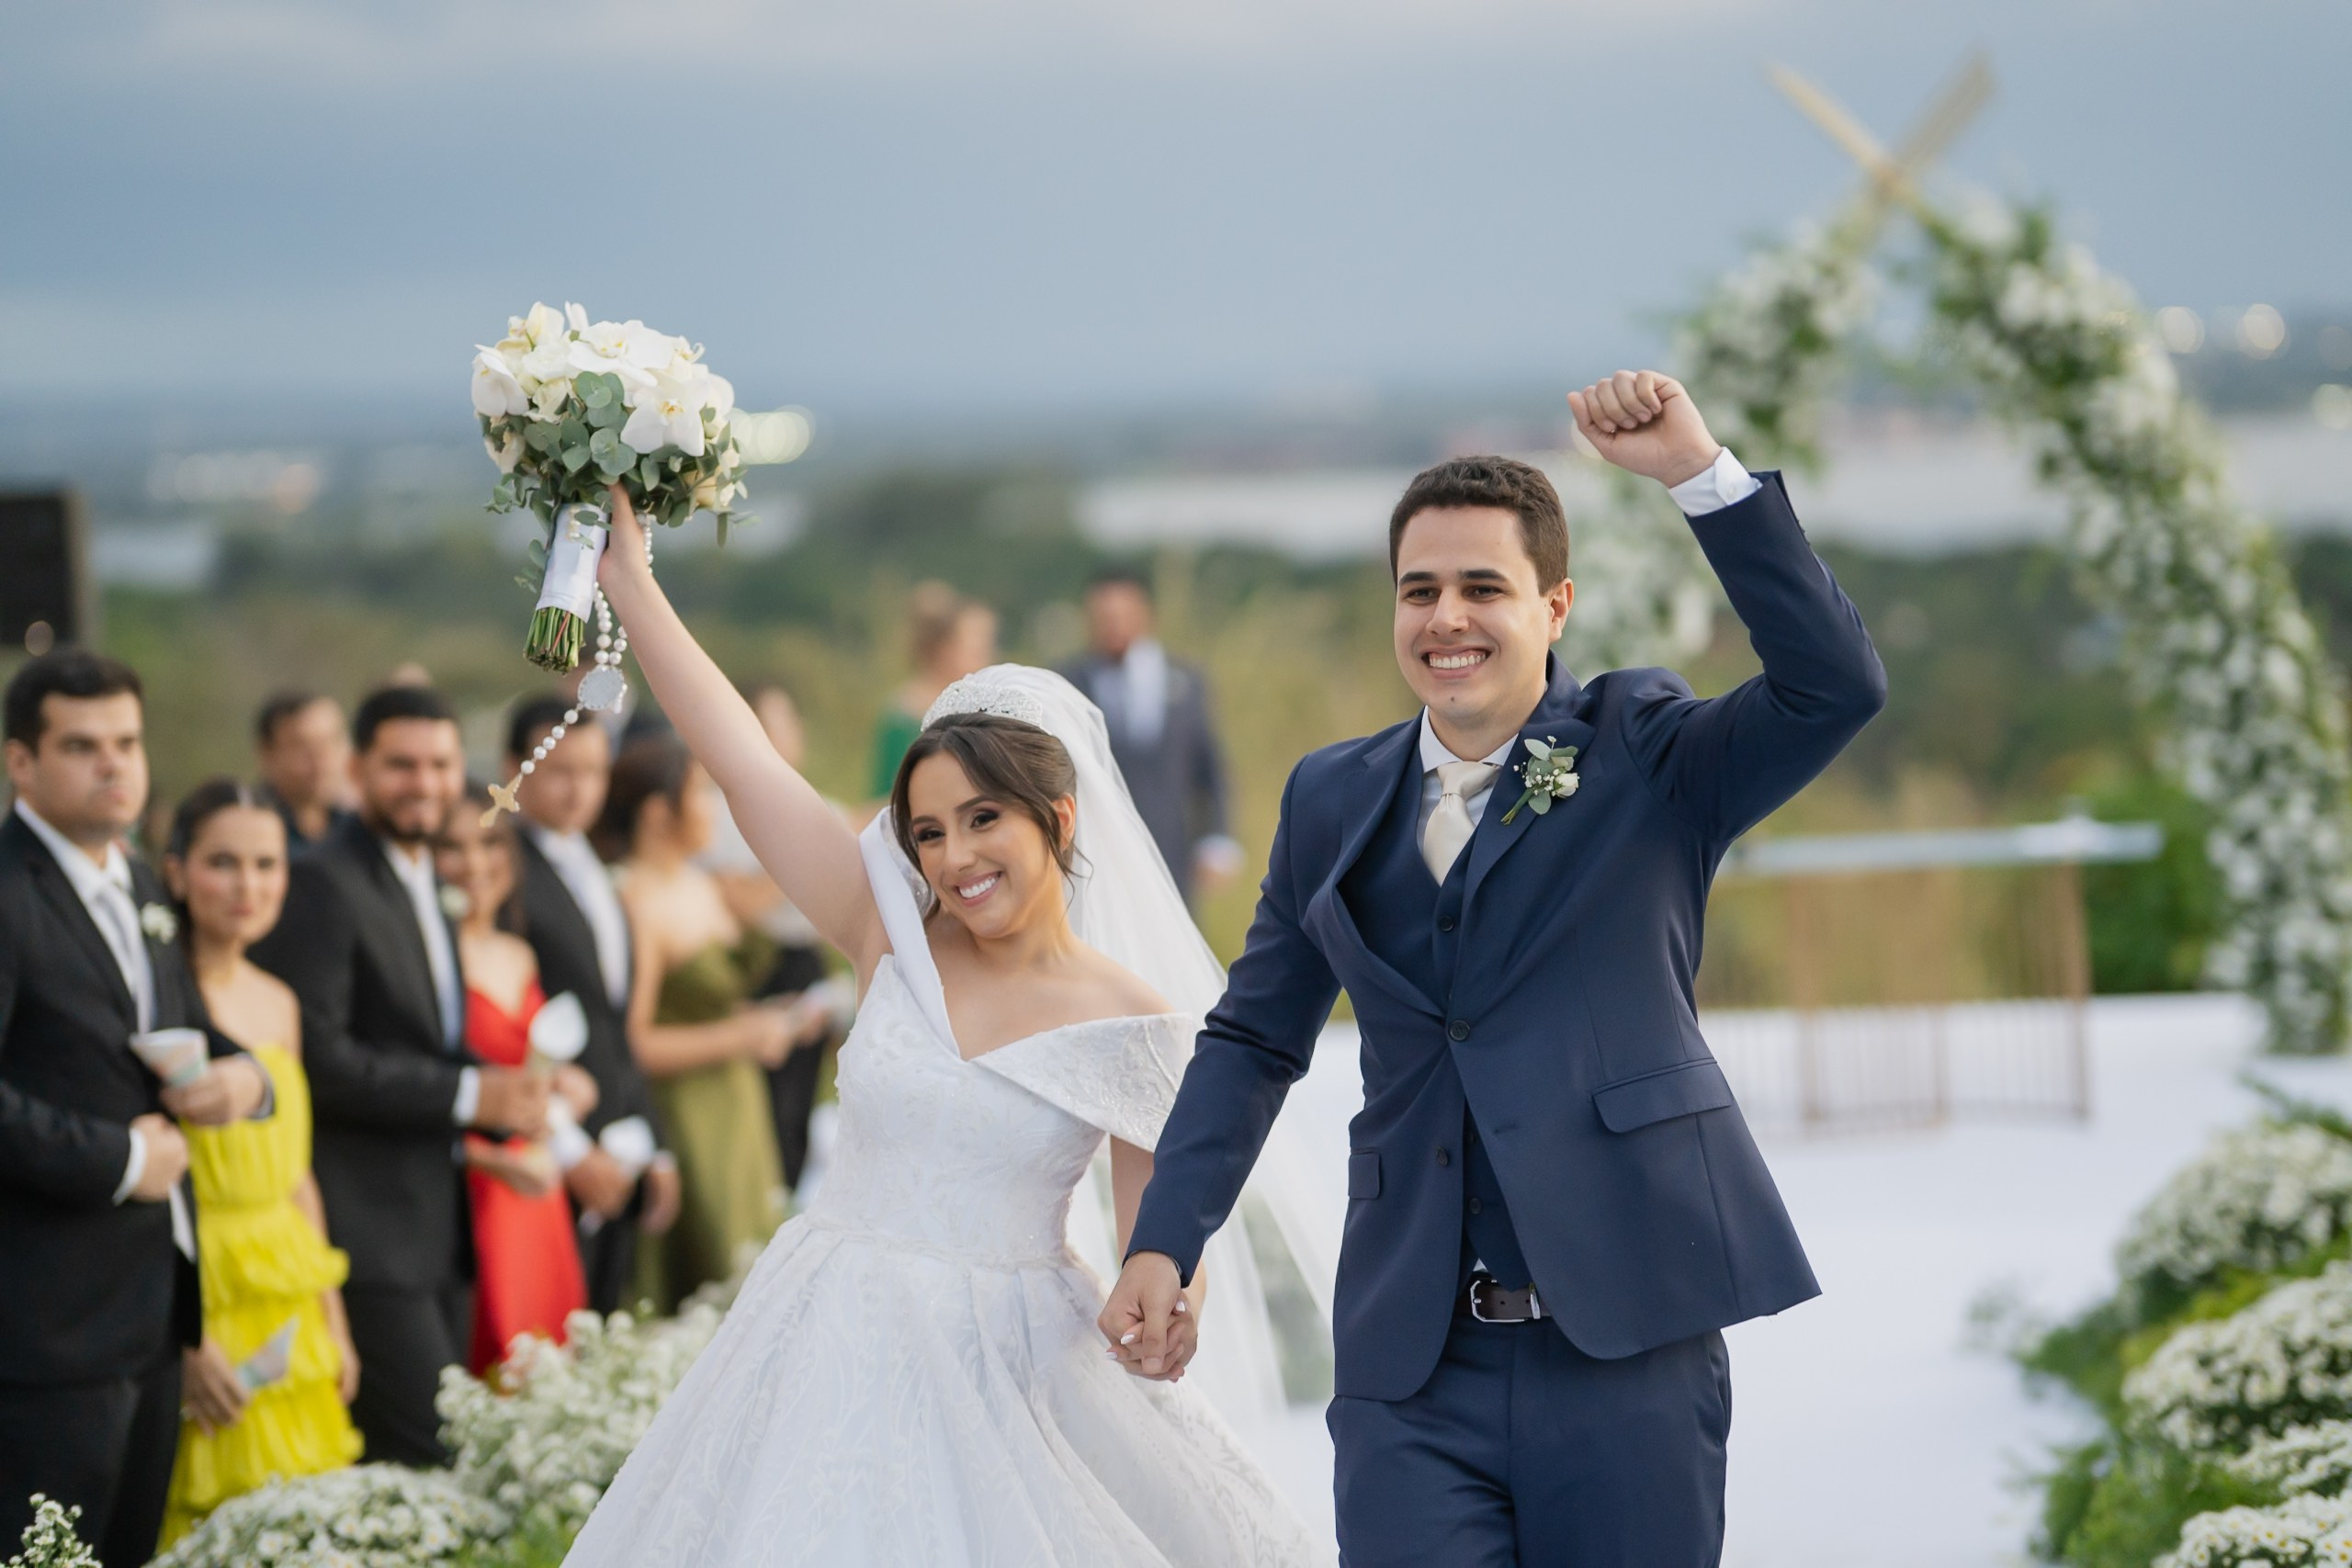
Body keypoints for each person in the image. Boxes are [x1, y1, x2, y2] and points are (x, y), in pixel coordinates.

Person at [1106, 372, 1888, 1567]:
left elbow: (1836, 684)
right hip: (1411, 1367)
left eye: (1483, 587)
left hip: (1628, 1343)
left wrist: (1700, 472)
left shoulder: (1645, 752)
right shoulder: (1330, 795)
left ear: (1554, 604)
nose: (1446, 618)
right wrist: (1165, 1237)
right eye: (1418, 590)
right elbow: (1254, 1037)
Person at [561, 489, 1320, 1565]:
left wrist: (1171, 1308)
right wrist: (631, 584)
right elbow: (742, 761)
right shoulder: (887, 935)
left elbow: (1161, 1237)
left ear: (1058, 818)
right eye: (926, 832)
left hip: (1009, 1368)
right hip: (821, 1337)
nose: (954, 858)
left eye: (982, 820)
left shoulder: (1134, 1017)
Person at [0, 650, 272, 1564]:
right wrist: (119, 1160)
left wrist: (245, 1079)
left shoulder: (145, 884)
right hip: (46, 1328)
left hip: (154, 1316)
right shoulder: (7, 894)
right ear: (21, 762)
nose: (114, 764)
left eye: (127, 742)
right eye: (83, 746)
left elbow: (182, 1025)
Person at [249, 685, 552, 1467]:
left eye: (440, 764)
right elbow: (318, 1059)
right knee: (427, 1455)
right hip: (365, 1229)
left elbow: (424, 1038)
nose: (425, 782)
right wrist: (470, 1093)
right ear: (357, 769)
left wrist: (511, 1087)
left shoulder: (420, 876)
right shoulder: (324, 881)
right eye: (402, 765)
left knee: (438, 1458)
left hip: (437, 1226)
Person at [158, 781, 362, 1549]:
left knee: (302, 1521)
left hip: (287, 1289)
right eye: (223, 862)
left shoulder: (280, 1000)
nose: (249, 885)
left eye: (267, 864)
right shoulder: (157, 998)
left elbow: (297, 1174)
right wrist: (183, 1337)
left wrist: (332, 1320)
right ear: (176, 871)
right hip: (201, 1288)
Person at [596, 738, 795, 1312]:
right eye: (701, 794)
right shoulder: (635, 900)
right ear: (658, 812)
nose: (713, 809)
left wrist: (759, 1022)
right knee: (713, 1269)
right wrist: (740, 1037)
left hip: (737, 1101)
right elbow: (634, 1041)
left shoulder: (702, 883)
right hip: (685, 1110)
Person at [503, 696, 680, 1315]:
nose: (581, 790)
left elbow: (614, 1024)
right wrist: (570, 1148)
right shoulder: (503, 875)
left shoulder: (599, 868)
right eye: (561, 771)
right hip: (547, 1148)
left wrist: (656, 1141)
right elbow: (502, 1028)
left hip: (621, 1141)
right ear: (515, 767)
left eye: (595, 772)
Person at [435, 788, 595, 1371]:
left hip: (537, 1179)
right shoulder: (433, 960)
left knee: (549, 1345)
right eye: (452, 847)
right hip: (478, 1181)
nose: (475, 864)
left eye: (489, 843)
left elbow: (525, 1066)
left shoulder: (519, 951)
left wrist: (565, 1084)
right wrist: (486, 1159)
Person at [698, 682, 846, 1191]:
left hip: (807, 961)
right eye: (780, 721)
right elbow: (735, 903)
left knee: (798, 1106)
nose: (794, 732)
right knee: (761, 1112)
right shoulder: (715, 811)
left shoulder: (818, 803)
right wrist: (805, 855)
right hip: (753, 967)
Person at [1061, 567, 1244, 906]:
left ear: (1145, 614)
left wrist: (1218, 837)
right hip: (1095, 851)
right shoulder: (1067, 681)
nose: (1113, 625)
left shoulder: (1186, 680)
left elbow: (1209, 764)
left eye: (1122, 615)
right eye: (1103, 617)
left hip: (1172, 848)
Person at [867, 581, 997, 799]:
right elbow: (886, 795)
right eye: (976, 648)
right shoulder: (904, 716)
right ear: (944, 648)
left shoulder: (986, 704)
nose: (987, 657)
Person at [253, 692, 356, 850]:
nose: (321, 759)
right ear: (267, 753)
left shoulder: (358, 829)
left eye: (330, 742)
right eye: (303, 746)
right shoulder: (249, 828)